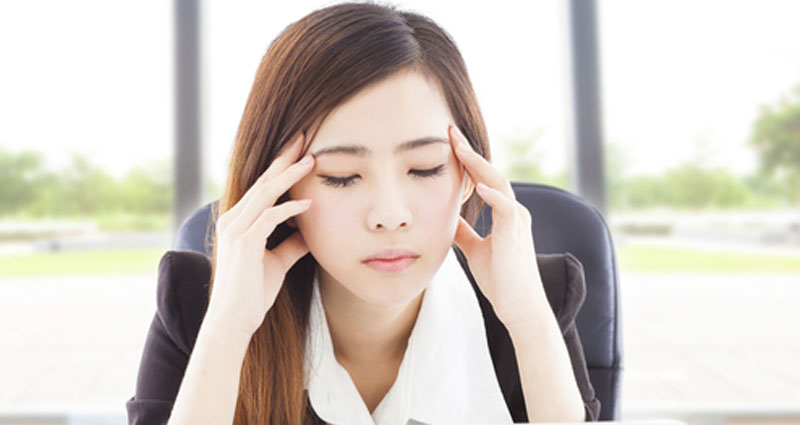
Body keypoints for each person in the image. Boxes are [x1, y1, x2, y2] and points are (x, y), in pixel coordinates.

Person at [126, 2, 601, 424]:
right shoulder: (196, 306)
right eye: (341, 175)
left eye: (425, 168)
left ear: (469, 176)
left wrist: (529, 325)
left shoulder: (537, 302)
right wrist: (228, 330)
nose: (390, 216)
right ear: (279, 189)